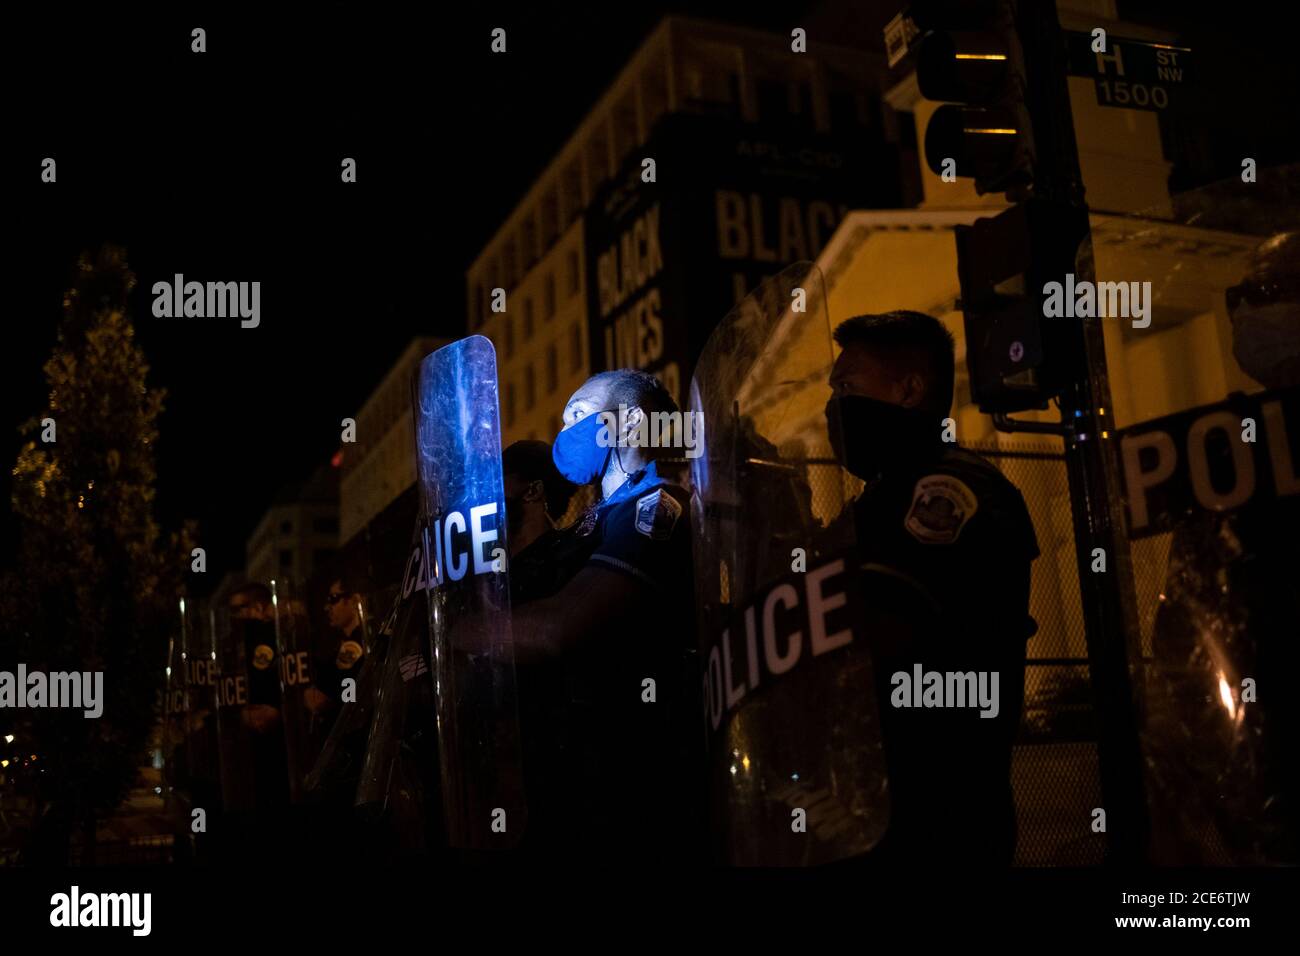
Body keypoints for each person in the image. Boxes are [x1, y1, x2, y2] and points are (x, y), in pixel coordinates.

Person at [823, 310, 1039, 865]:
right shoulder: (879, 497)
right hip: (876, 810)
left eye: (847, 387)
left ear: (910, 390)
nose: (833, 406)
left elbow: (882, 628)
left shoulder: (952, 486)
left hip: (936, 818)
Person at [1147, 230, 1300, 864]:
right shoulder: (1228, 447)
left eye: (1263, 293)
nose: (1242, 311)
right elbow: (1185, 628)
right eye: (1239, 296)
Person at [505, 370, 701, 861]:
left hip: (628, 767)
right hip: (570, 763)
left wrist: (467, 631)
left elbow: (565, 624)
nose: (564, 432)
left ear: (630, 421)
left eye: (577, 416)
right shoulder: (596, 517)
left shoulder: (657, 503)